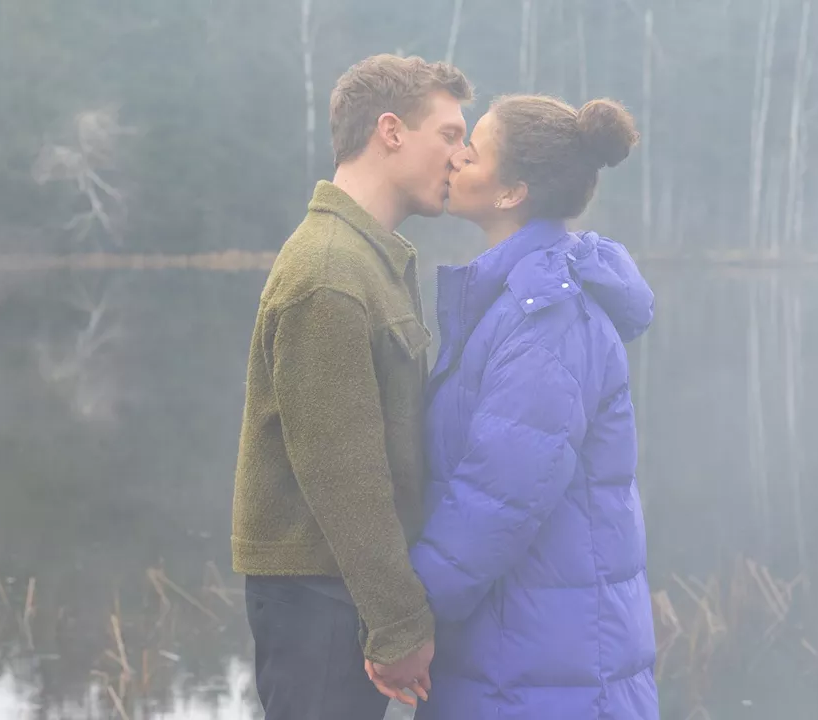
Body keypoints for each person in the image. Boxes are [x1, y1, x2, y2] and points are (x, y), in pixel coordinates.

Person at [368, 94, 659, 718]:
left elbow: (498, 496)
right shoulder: (520, 300)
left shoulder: (546, 318)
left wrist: (406, 619)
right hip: (521, 655)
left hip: (549, 678)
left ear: (510, 194)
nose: (454, 159)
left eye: (470, 152)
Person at [230, 54, 472, 719]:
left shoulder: (365, 258)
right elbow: (347, 478)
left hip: (339, 593)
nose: (462, 156)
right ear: (391, 131)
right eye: (449, 135)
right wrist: (398, 625)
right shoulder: (330, 272)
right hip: (319, 596)